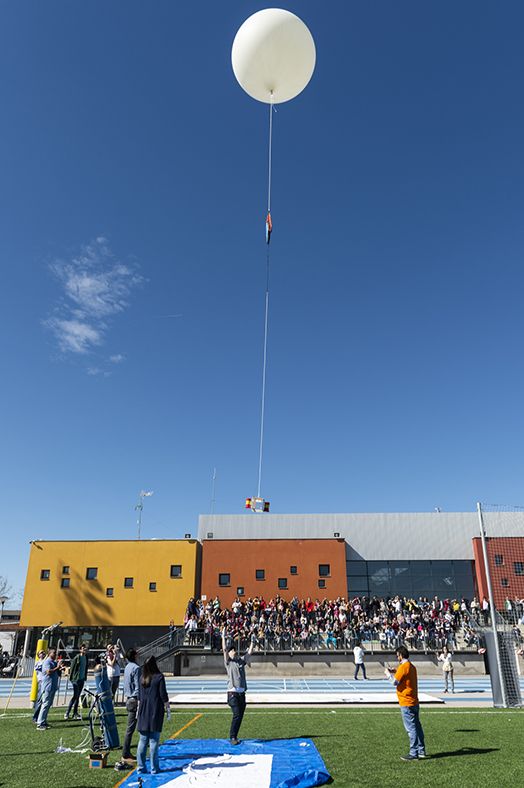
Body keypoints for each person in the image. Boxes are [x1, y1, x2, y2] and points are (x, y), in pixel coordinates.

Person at [384, 646, 426, 761]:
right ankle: (421, 750)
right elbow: (404, 674)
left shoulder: (403, 667)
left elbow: (394, 682)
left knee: (411, 728)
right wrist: (395, 671)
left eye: (397, 656)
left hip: (406, 701)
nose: (397, 658)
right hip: (414, 701)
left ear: (400, 655)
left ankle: (414, 753)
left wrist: (388, 674)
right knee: (417, 726)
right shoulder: (411, 666)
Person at [137, 656, 170, 775]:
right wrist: (167, 706)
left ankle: (141, 767)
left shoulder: (142, 678)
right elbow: (163, 694)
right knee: (153, 741)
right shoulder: (159, 677)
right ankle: (154, 768)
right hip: (155, 711)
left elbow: (140, 697)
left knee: (143, 741)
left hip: (143, 711)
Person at [221, 626, 254, 745]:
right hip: (233, 694)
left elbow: (249, 653)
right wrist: (223, 636)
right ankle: (232, 737)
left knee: (240, 716)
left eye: (234, 650)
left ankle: (235, 736)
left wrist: (252, 642)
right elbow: (224, 649)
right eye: (231, 650)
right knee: (237, 714)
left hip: (241, 694)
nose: (233, 651)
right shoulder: (228, 662)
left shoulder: (240, 660)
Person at [37, 648, 63, 730]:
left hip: (53, 686)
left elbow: (57, 673)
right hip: (47, 686)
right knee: (45, 704)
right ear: (49, 653)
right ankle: (40, 723)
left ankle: (44, 721)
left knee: (48, 705)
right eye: (54, 653)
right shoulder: (47, 662)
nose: (56, 655)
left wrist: (60, 668)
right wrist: (57, 667)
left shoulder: (54, 662)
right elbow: (48, 672)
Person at [122, 648, 141, 762]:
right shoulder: (136, 668)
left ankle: (127, 751)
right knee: (131, 728)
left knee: (132, 728)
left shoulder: (127, 667)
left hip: (128, 698)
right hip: (134, 699)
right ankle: (126, 752)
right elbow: (137, 686)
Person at [65, 643, 88, 720]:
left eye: (85, 648)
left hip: (82, 679)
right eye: (83, 648)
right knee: (75, 696)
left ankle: (75, 713)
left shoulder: (86, 658)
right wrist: (71, 678)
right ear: (80, 649)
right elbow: (72, 668)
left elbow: (85, 668)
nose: (84, 650)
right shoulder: (77, 658)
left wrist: (85, 677)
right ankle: (67, 712)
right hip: (76, 679)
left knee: (78, 696)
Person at [32, 649, 47, 723]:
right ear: (39, 655)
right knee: (40, 701)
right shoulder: (38, 663)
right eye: (41, 653)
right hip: (41, 682)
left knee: (45, 701)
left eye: (44, 652)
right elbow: (41, 669)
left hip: (46, 682)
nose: (43, 653)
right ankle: (35, 717)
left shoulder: (46, 661)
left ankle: (40, 717)